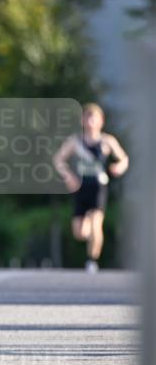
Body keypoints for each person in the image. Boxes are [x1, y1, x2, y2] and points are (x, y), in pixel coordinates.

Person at [53, 103, 129, 272]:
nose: (90, 121)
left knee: (96, 224)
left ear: (101, 121)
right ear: (82, 120)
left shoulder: (107, 141)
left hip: (98, 186)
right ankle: (90, 238)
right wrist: (68, 176)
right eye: (87, 117)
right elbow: (58, 160)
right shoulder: (75, 142)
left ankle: (91, 260)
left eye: (93, 118)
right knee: (79, 233)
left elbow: (124, 159)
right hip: (80, 188)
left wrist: (119, 167)